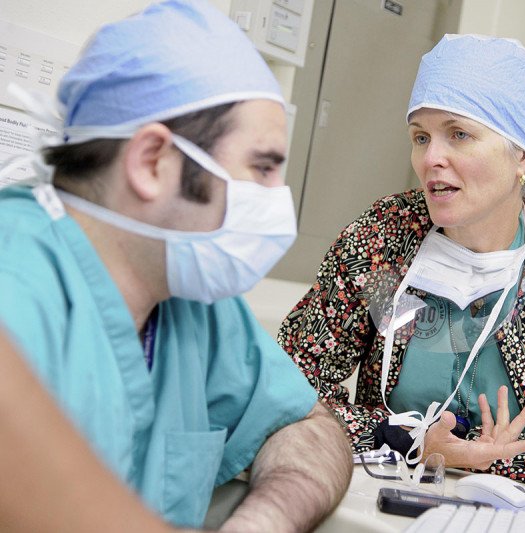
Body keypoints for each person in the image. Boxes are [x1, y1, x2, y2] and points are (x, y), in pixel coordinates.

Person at [0, 1, 352, 531]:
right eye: (260, 168)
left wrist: (264, 521)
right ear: (151, 163)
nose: (278, 201)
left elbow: (310, 425)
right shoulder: (18, 282)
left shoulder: (193, 302)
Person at [279, 34, 525, 485]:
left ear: (523, 154)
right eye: (420, 137)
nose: (431, 158)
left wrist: (490, 459)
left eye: (459, 135)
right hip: (378, 492)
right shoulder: (385, 238)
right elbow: (290, 386)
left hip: (509, 507)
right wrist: (404, 439)